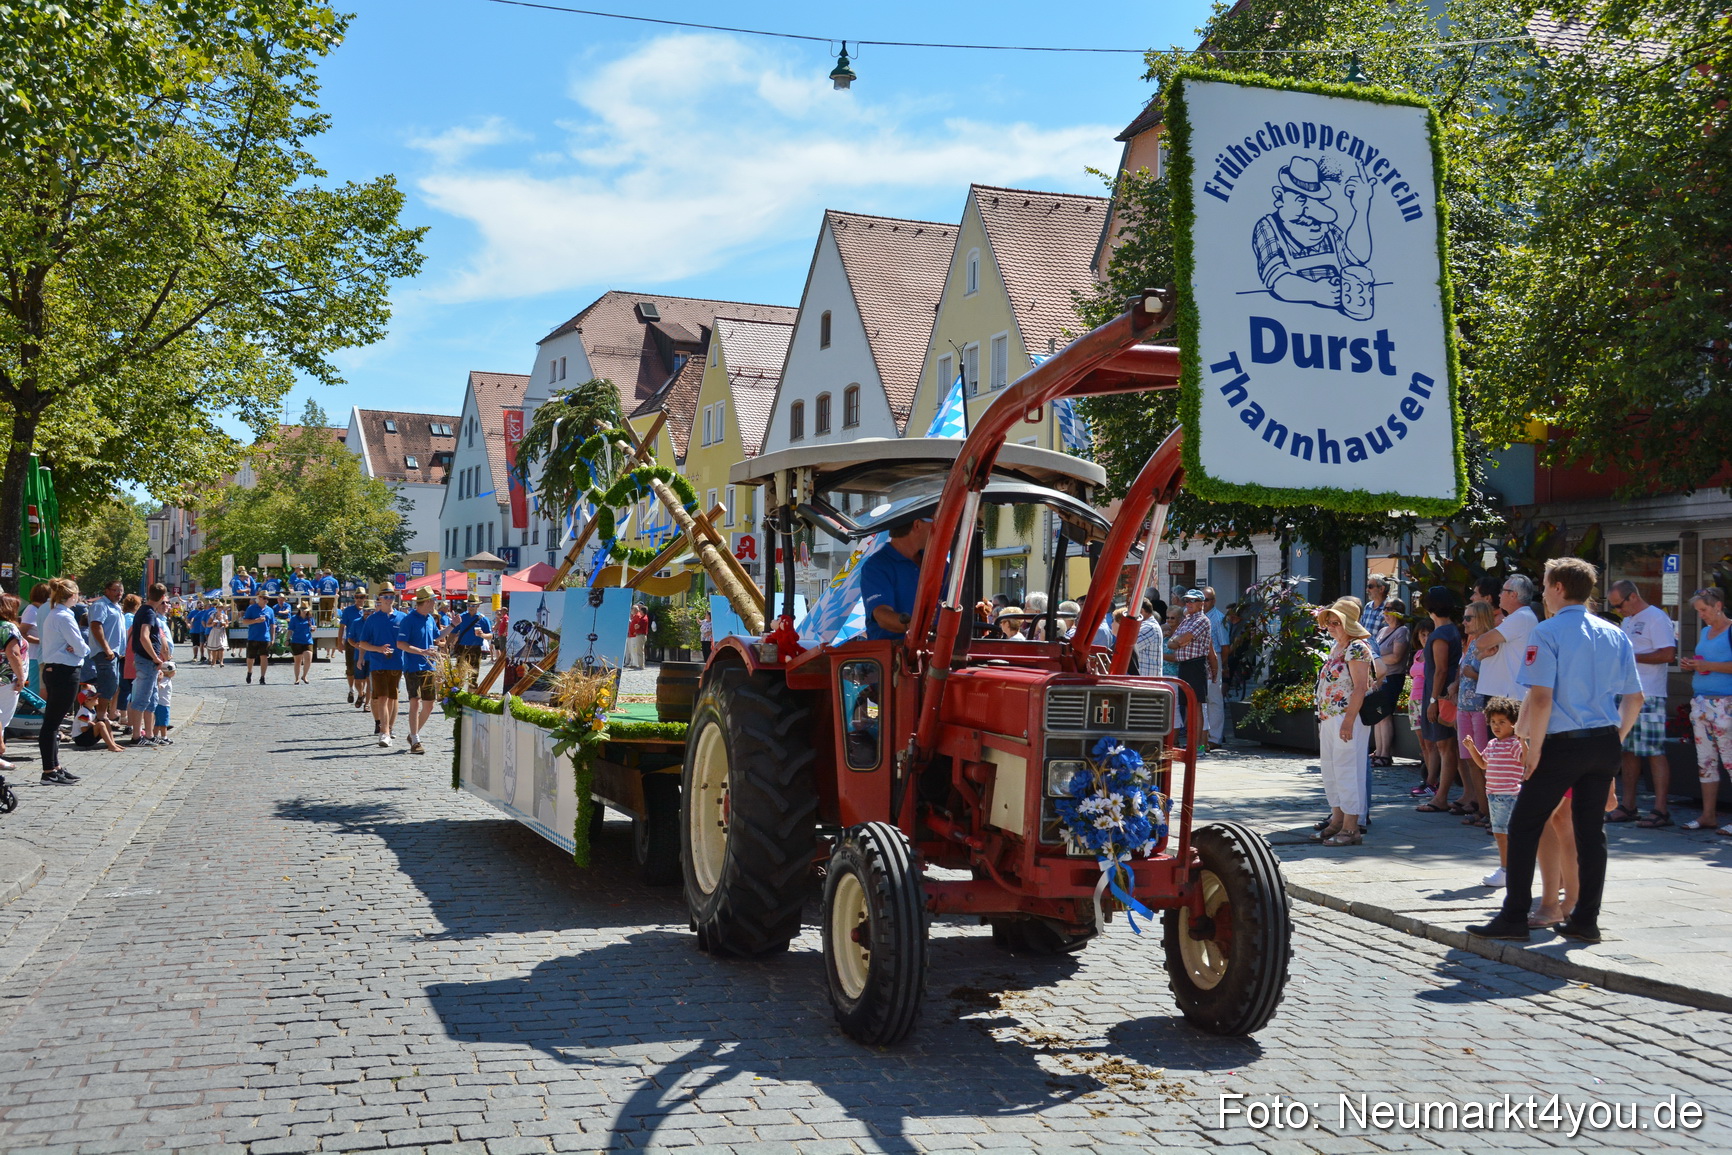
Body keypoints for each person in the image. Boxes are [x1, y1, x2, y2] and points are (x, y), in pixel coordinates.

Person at [1469, 557, 1642, 945]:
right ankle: (1585, 919)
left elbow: (1542, 697)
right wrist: (1617, 737)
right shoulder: (1614, 633)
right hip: (1603, 740)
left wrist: (1531, 750)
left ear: (1559, 588)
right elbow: (1635, 697)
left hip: (1562, 743)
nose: (1543, 591)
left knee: (1524, 825)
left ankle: (1514, 915)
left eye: (1546, 584)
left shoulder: (1548, 632)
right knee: (1589, 833)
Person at [1603, 580, 1677, 827]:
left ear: (1632, 597)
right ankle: (1629, 805)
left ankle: (1660, 810)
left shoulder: (1656, 617)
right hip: (1626, 692)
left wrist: (1631, 657)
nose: (1618, 610)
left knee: (1654, 751)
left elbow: (1668, 654)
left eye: (1619, 605)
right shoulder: (1629, 620)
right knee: (1627, 750)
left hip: (1650, 694)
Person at [1313, 598, 1374, 845]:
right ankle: (1337, 820)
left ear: (1348, 623)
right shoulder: (1338, 647)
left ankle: (1351, 828)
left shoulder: (1357, 648)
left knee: (1349, 770)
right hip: (1330, 717)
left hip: (1347, 718)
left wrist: (1348, 721)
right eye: (1329, 622)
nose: (1331, 627)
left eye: (1336, 622)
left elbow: (1361, 687)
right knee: (1331, 769)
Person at [1679, 587, 1732, 834]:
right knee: (1706, 762)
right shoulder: (1704, 631)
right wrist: (1693, 665)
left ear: (1718, 606)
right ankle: (1708, 815)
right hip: (1701, 704)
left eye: (1704, 610)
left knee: (1730, 761)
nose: (1701, 615)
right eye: (1698, 611)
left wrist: (1707, 664)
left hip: (1725, 704)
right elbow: (1706, 662)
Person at [1465, 696, 1526, 889]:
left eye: (1502, 722)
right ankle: (1506, 868)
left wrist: (1523, 740)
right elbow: (1483, 763)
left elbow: (1526, 761)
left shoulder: (1515, 744)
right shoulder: (1493, 744)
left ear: (1514, 724)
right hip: (1494, 795)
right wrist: (1472, 748)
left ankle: (1510, 869)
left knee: (1512, 834)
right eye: (1493, 722)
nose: (1496, 726)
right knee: (1500, 833)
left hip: (1511, 796)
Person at [1415, 587, 1464, 814]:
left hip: (1441, 696)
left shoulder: (1441, 634)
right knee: (1448, 746)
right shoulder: (1450, 630)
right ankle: (1457, 795)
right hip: (1445, 694)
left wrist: (1433, 700)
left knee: (1445, 746)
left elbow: (1441, 670)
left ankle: (1441, 796)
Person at [38, 579, 87, 785]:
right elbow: (81, 647)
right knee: (52, 723)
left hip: (58, 670)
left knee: (54, 722)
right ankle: (48, 770)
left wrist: (75, 647)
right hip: (63, 671)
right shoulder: (63, 616)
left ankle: (55, 766)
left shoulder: (56, 613)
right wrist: (79, 649)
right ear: (72, 595)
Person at [1451, 602, 1495, 827]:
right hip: (1464, 708)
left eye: (1469, 618)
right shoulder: (1471, 643)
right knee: (1469, 760)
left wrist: (1472, 675)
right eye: (1464, 617)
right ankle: (1481, 807)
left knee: (1483, 761)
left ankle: (1490, 811)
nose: (1464, 622)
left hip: (1479, 708)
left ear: (1481, 618)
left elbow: (1495, 677)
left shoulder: (1490, 642)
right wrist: (1457, 682)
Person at [860, 517, 933, 640]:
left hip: (938, 646)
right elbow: (882, 616)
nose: (939, 529)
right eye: (935, 522)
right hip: (894, 653)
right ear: (917, 524)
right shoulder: (877, 566)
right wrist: (919, 626)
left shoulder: (937, 564)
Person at [1168, 590, 1218, 749]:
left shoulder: (1202, 620)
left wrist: (1178, 641)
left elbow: (1180, 640)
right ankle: (1191, 745)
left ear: (1201, 603)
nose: (1188, 603)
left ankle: (1198, 747)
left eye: (1193, 600)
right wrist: (1178, 641)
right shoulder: (1187, 620)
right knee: (1188, 706)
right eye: (1186, 600)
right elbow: (1171, 643)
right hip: (1184, 665)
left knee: (1196, 706)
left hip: (1195, 665)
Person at [356, 590, 405, 747]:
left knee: (393, 697)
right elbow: (362, 643)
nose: (389, 599)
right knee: (382, 697)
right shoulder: (372, 620)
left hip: (397, 663)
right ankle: (384, 733)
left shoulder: (402, 618)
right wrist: (378, 649)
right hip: (378, 663)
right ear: (380, 599)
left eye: (391, 597)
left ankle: (390, 728)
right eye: (386, 597)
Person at [396, 589, 443, 754]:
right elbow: (401, 644)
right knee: (415, 701)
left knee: (429, 705)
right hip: (413, 667)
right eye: (433, 600)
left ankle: (412, 734)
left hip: (429, 667)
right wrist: (422, 651)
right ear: (427, 602)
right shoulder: (409, 620)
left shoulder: (430, 618)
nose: (435, 603)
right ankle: (416, 740)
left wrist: (453, 626)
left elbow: (437, 637)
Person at [127, 584, 170, 745]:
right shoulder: (149, 613)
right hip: (146, 661)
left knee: (152, 699)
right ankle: (137, 736)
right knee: (142, 699)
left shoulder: (144, 611)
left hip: (145, 660)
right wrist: (155, 657)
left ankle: (149, 735)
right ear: (162, 597)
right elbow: (144, 637)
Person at [1370, 598, 1410, 767]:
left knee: (1385, 715)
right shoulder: (1382, 630)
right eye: (1384, 609)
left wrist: (1376, 659)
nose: (1385, 612)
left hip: (1393, 677)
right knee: (1378, 716)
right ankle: (1378, 751)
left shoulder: (1402, 631)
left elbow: (1396, 657)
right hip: (1379, 678)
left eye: (1389, 609)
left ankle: (1385, 755)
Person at [86, 580, 126, 729]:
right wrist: (106, 648)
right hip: (104, 652)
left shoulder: (116, 607)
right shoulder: (101, 605)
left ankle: (104, 715)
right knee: (107, 684)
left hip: (114, 652)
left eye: (121, 590)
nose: (118, 593)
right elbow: (96, 626)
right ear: (107, 590)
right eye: (115, 590)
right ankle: (101, 717)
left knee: (113, 684)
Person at [0, 594, 26, 771]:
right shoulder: (8, 627)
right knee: (2, 718)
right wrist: (21, 677)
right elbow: (13, 654)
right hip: (6, 678)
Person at [443, 595, 490, 687]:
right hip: (462, 648)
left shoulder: (483, 619)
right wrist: (447, 644)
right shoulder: (461, 617)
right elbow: (453, 632)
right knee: (459, 674)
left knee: (473, 675)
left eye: (473, 605)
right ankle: (458, 695)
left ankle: (471, 696)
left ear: (478, 606)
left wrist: (482, 635)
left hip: (476, 648)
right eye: (469, 605)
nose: (470, 607)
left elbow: (490, 635)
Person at [1204, 586, 1229, 745]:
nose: (1203, 603)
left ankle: (1215, 737)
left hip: (1215, 658)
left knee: (1214, 699)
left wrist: (1222, 665)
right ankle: (1205, 737)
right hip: (1202, 660)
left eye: (1206, 600)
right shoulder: (1200, 617)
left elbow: (1225, 646)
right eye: (1201, 599)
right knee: (1204, 700)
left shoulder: (1218, 618)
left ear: (1213, 601)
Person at [69, 683, 124, 752]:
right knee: (101, 724)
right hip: (81, 740)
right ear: (86, 701)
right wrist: (93, 725)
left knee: (105, 721)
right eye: (94, 698)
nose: (97, 698)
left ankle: (113, 743)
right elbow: (83, 729)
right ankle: (111, 746)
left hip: (87, 737)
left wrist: (93, 724)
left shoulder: (92, 709)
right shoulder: (84, 712)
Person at [340, 591, 370, 706]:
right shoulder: (348, 611)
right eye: (357, 597)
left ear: (365, 598)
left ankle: (366, 701)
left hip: (369, 648)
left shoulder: (370, 612)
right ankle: (352, 690)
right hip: (352, 644)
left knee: (368, 677)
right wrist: (339, 642)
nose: (359, 599)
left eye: (361, 597)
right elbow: (342, 627)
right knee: (351, 669)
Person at [240, 592, 275, 685]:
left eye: (267, 598)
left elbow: (272, 625)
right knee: (250, 657)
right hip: (253, 636)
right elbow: (245, 621)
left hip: (265, 637)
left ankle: (262, 677)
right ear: (259, 598)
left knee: (264, 657)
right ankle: (249, 672)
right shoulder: (251, 608)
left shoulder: (270, 610)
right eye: (264, 598)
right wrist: (256, 621)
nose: (266, 600)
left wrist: (272, 638)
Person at [20, 581, 48, 695]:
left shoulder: (38, 610)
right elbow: (22, 632)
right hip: (33, 655)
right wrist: (41, 641)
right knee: (35, 685)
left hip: (39, 654)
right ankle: (32, 709)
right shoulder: (32, 610)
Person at [1133, 597, 1164, 678]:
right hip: (1145, 680)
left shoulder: (1149, 627)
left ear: (1141, 611)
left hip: (1147, 682)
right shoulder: (1146, 626)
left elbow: (1129, 648)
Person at [288, 600, 316, 684]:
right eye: (302, 609)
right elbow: (290, 630)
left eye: (305, 609)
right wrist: (287, 639)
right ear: (299, 609)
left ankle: (304, 676)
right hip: (296, 641)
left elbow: (312, 629)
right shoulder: (294, 618)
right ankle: (297, 678)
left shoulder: (310, 618)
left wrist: (313, 629)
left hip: (307, 640)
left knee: (308, 658)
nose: (304, 611)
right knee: (298, 661)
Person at [204, 599, 228, 668]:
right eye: (219, 607)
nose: (220, 609)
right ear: (216, 608)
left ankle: (221, 662)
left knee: (221, 648)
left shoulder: (224, 616)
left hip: (221, 632)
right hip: (214, 632)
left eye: (221, 607)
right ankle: (213, 662)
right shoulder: (213, 615)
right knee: (214, 648)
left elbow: (227, 625)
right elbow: (207, 624)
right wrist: (212, 624)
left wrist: (224, 625)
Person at [626, 602, 649, 669]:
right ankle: (637, 664)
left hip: (640, 635)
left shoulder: (643, 618)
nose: (639, 611)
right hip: (638, 635)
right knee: (636, 651)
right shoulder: (641, 617)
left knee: (639, 651)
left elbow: (637, 626)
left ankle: (640, 665)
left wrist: (636, 627)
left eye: (640, 610)